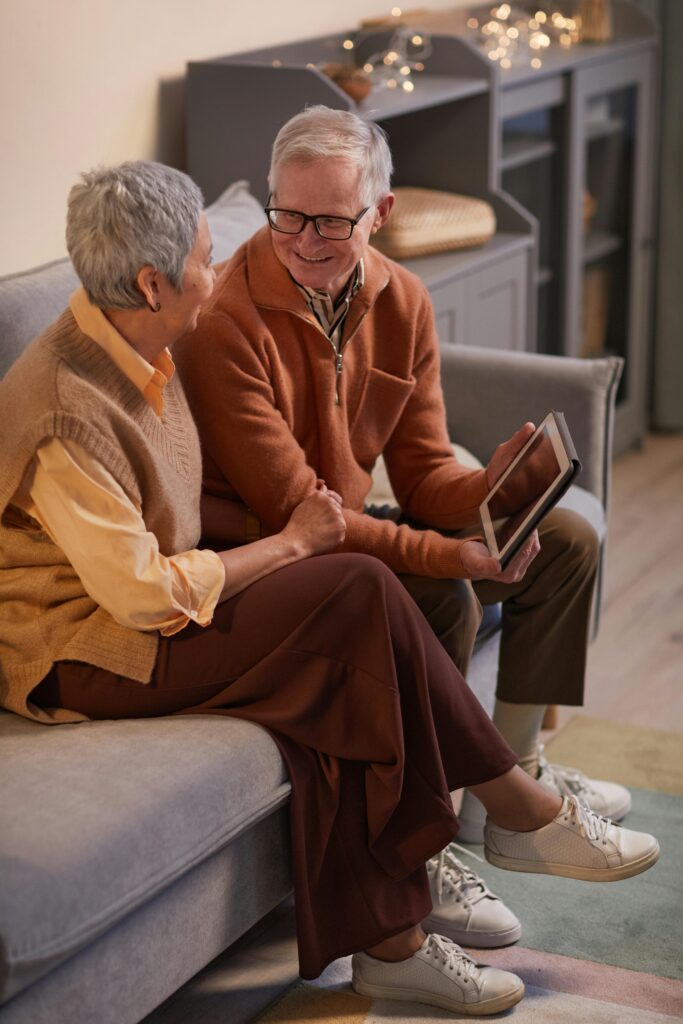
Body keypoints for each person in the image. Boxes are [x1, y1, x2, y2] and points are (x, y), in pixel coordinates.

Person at [0, 161, 658, 1019]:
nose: (221, 268)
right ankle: (513, 812)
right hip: (81, 651)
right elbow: (139, 599)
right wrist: (289, 545)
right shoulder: (62, 407)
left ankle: (402, 935)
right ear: (153, 282)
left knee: (341, 657)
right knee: (350, 594)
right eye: (207, 258)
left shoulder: (144, 344)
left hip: (149, 609)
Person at [175, 104, 632, 941]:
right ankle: (431, 836)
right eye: (288, 216)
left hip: (343, 521)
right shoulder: (225, 323)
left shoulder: (403, 298)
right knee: (443, 596)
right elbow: (298, 511)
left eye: (333, 221)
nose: (306, 239)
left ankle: (514, 767)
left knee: (563, 534)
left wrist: (488, 488)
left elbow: (421, 469)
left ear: (379, 213)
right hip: (267, 549)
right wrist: (454, 558)